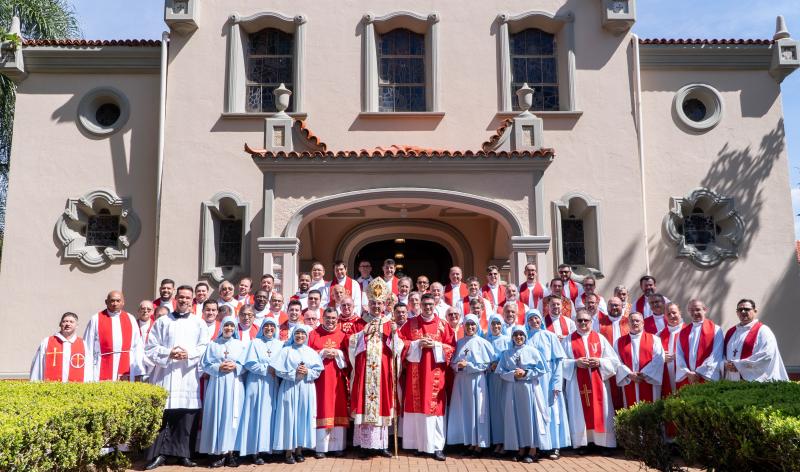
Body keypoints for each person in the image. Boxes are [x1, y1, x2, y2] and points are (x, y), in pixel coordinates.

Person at [144, 285, 209, 470]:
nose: (184, 300)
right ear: (175, 298)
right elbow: (150, 347)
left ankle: (184, 454)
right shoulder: (162, 321)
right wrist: (168, 354)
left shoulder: (199, 323)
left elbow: (204, 346)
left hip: (187, 375)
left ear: (192, 300)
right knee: (164, 414)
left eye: (188, 298)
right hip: (166, 374)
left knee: (185, 416)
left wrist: (188, 354)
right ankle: (159, 454)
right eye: (181, 297)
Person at [348, 278, 403, 458]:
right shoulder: (360, 322)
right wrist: (363, 333)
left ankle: (381, 445)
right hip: (365, 371)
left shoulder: (389, 322)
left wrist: (394, 334)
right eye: (373, 303)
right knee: (365, 404)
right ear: (368, 304)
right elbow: (351, 343)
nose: (376, 306)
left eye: (379, 303)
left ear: (384, 304)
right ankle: (364, 446)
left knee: (382, 404)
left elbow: (398, 348)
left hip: (383, 370)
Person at [400, 292, 456, 461]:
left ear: (435, 305)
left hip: (434, 373)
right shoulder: (410, 323)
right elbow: (401, 342)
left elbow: (451, 347)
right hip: (415, 374)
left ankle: (437, 447)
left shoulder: (443, 325)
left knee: (435, 410)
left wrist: (436, 345)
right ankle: (419, 445)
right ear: (420, 305)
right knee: (417, 408)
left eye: (431, 304)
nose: (428, 307)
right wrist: (417, 344)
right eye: (425, 305)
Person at [562, 308, 620, 451]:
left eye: (586, 320)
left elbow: (614, 361)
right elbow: (560, 362)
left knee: (602, 410)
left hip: (598, 382)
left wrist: (600, 362)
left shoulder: (600, 338)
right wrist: (575, 363)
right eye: (580, 320)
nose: (583, 323)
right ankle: (583, 443)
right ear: (575, 322)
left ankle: (604, 443)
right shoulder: (568, 340)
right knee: (579, 412)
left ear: (591, 322)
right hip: (577, 383)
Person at [198, 316, 247, 468]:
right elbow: (205, 364)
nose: (229, 329)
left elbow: (246, 364)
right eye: (226, 326)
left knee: (232, 418)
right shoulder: (213, 344)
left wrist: (236, 366)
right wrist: (218, 367)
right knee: (217, 417)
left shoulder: (240, 345)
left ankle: (231, 453)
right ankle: (218, 453)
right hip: (217, 385)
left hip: (234, 384)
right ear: (222, 327)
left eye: (232, 326)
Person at [272, 325, 324, 464]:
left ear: (306, 336)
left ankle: (299, 450)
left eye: (302, 333)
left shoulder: (311, 352)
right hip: (289, 387)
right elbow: (278, 371)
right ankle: (289, 451)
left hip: (306, 388)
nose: (300, 336)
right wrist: (293, 373)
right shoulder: (286, 351)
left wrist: (307, 371)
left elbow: (318, 371)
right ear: (293, 335)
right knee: (289, 418)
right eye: (297, 333)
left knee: (302, 417)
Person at [236, 318, 284, 465]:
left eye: (272, 326)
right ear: (262, 328)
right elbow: (249, 363)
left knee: (269, 415)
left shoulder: (280, 345)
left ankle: (266, 449)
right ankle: (253, 450)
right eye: (266, 326)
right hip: (256, 383)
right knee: (254, 415)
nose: (269, 328)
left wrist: (277, 371)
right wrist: (266, 369)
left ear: (276, 328)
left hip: (272, 385)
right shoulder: (254, 343)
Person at [497, 326, 547, 463]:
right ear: (512, 337)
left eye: (521, 334)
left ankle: (532, 449)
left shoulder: (533, 351)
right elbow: (500, 372)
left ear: (525, 336)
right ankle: (520, 448)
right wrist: (513, 374)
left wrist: (526, 373)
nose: (519, 337)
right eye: (516, 334)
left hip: (529, 389)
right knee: (515, 418)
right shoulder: (506, 353)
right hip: (512, 389)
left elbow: (541, 369)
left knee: (530, 418)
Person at [525, 310, 570, 459]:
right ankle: (541, 444)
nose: (534, 321)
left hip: (549, 379)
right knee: (536, 412)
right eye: (530, 319)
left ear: (541, 320)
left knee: (553, 411)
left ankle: (555, 446)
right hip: (533, 380)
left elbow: (558, 362)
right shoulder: (525, 338)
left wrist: (557, 384)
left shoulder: (550, 336)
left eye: (536, 318)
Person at [446, 314, 494, 455]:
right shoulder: (459, 343)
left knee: (478, 411)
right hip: (461, 382)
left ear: (477, 326)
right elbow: (453, 363)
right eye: (468, 325)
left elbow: (486, 364)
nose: (470, 327)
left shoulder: (483, 343)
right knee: (464, 411)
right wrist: (459, 366)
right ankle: (468, 442)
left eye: (473, 324)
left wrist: (469, 366)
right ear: (464, 326)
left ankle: (478, 444)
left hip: (476, 381)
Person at [308, 307, 349, 458]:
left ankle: (338, 446)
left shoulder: (343, 336)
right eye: (328, 318)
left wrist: (338, 353)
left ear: (337, 319)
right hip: (320, 381)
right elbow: (307, 355)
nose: (331, 321)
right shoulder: (313, 334)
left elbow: (349, 357)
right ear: (322, 318)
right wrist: (322, 353)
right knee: (321, 408)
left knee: (337, 408)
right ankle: (320, 447)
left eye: (333, 318)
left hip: (337, 380)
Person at [83, 290, 144, 382]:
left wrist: (138, 370)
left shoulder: (130, 318)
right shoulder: (96, 319)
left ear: (123, 302)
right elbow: (88, 346)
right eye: (112, 300)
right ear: (106, 302)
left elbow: (138, 346)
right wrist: (88, 371)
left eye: (118, 301)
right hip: (102, 366)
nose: (115, 303)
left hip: (126, 366)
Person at [722, 299, 788, 382]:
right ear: (737, 312)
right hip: (732, 379)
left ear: (755, 311)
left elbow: (767, 354)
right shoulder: (731, 332)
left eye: (746, 309)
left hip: (754, 381)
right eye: (740, 310)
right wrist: (725, 364)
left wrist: (739, 365)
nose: (743, 312)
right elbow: (723, 353)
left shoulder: (763, 330)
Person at [615, 312, 665, 407]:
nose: (635, 323)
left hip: (649, 381)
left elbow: (659, 359)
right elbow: (617, 362)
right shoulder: (619, 342)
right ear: (628, 324)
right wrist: (629, 374)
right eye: (632, 321)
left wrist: (644, 374)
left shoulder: (654, 339)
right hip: (630, 382)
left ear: (643, 323)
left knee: (651, 408)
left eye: (637, 320)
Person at [30, 312, 92, 382]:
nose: (68, 324)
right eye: (65, 321)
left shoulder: (83, 344)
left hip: (76, 389)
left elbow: (88, 368)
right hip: (51, 388)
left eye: (71, 322)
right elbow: (37, 366)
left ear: (77, 325)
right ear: (60, 324)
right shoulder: (47, 342)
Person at [675, 300, 723, 388]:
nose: (695, 313)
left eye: (698, 309)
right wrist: (687, 372)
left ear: (705, 310)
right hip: (688, 377)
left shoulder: (716, 330)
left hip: (706, 377)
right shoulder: (683, 332)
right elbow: (679, 354)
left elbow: (716, 354)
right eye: (691, 310)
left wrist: (699, 372)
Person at [484, 314, 510, 456]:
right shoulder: (486, 340)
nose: (496, 327)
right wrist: (489, 366)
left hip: (503, 379)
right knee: (493, 410)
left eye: (498, 324)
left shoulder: (507, 340)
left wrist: (499, 365)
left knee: (503, 409)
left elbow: (510, 357)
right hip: (490, 379)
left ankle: (505, 441)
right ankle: (497, 441)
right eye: (493, 324)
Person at [659, 303, 685, 397]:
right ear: (665, 317)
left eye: (674, 312)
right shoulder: (659, 335)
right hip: (666, 379)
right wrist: (662, 357)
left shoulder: (688, 331)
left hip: (684, 377)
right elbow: (652, 356)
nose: (672, 316)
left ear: (680, 313)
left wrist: (679, 356)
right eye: (668, 314)